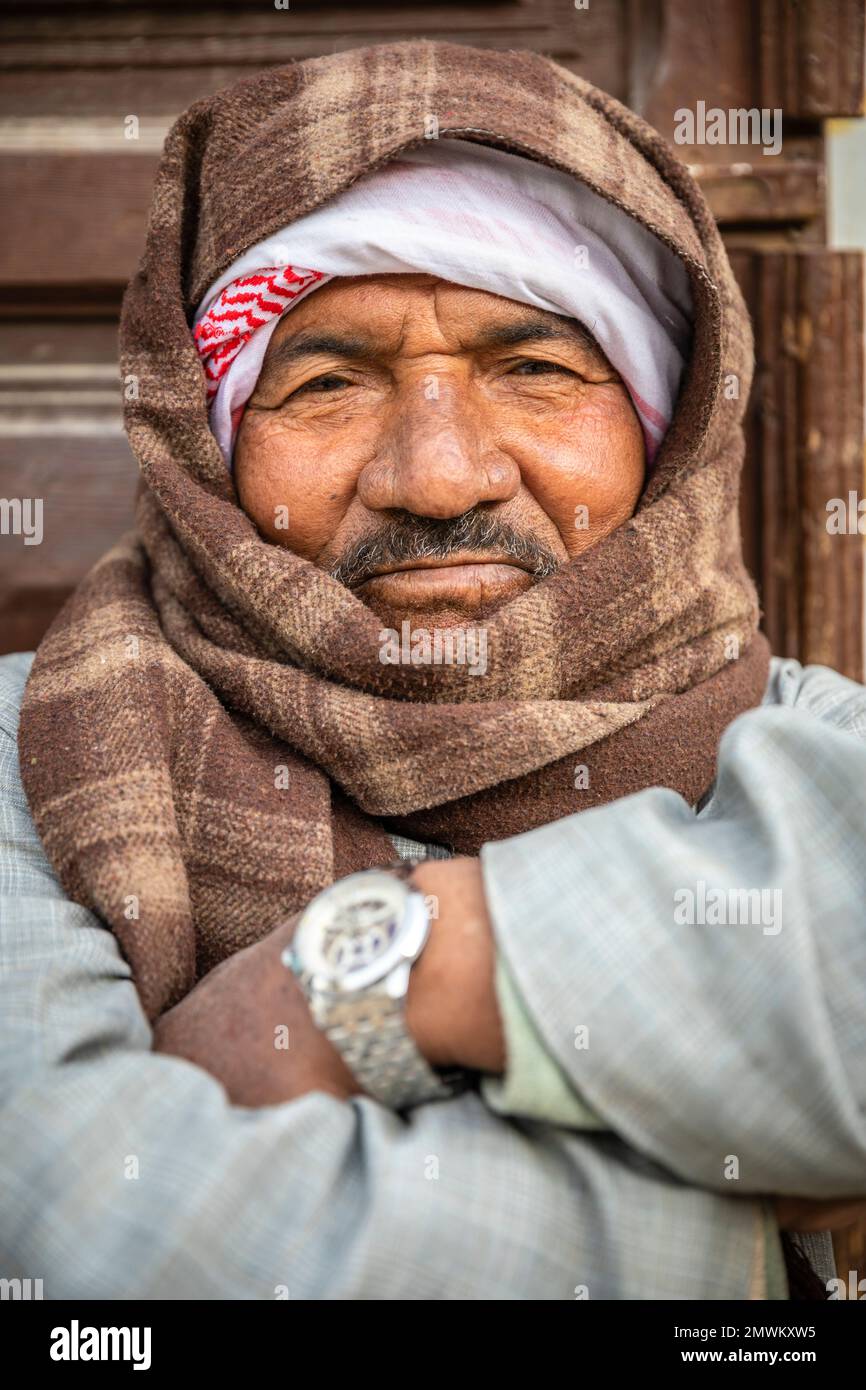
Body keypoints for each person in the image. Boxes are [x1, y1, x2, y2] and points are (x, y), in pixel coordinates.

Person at [1, 40, 864, 1301]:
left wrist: (404, 963)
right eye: (325, 382)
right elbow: (89, 1234)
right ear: (211, 455)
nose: (440, 474)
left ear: (663, 433)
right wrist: (740, 1216)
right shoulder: (33, 752)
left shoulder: (799, 738)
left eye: (536, 369)